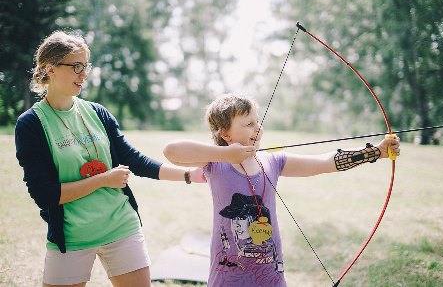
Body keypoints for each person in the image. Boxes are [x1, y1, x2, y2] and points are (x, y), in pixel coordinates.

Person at [15, 30, 205, 287]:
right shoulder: (31, 124)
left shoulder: (97, 113)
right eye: (76, 67)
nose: (84, 74)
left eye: (86, 66)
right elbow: (45, 194)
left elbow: (134, 160)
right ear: (50, 69)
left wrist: (189, 175)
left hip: (121, 228)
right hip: (72, 237)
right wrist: (104, 180)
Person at [163, 93, 401, 287]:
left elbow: (324, 163)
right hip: (228, 276)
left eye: (257, 121)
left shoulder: (273, 161)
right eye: (248, 124)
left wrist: (375, 152)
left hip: (269, 274)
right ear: (225, 133)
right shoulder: (215, 164)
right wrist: (225, 153)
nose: (258, 128)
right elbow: (171, 151)